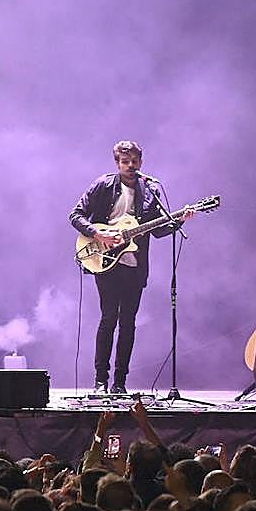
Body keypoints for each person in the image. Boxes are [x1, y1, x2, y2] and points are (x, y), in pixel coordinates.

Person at [69, 140, 193, 394]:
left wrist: (180, 220)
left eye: (135, 161)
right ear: (117, 163)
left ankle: (119, 383)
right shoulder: (103, 185)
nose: (131, 165)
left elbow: (157, 231)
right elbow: (76, 215)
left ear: (141, 162)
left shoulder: (151, 190)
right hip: (105, 261)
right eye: (125, 162)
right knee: (108, 319)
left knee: (128, 322)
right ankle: (100, 381)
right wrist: (98, 233)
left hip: (135, 266)